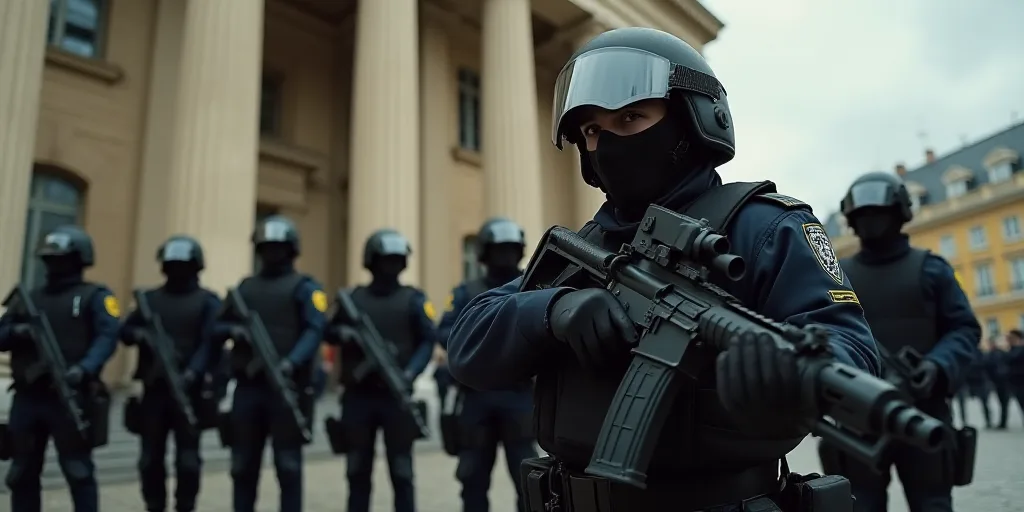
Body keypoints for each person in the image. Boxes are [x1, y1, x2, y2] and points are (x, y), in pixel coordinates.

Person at [446, 27, 879, 511]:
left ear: (693, 120)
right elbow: (468, 346)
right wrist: (553, 310)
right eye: (592, 131)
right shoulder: (586, 247)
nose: (609, 143)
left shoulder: (765, 227)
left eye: (630, 118)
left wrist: (783, 379)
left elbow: (851, 348)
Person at [820, 171, 981, 512]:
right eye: (862, 215)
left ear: (900, 214)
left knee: (932, 504)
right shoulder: (836, 277)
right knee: (860, 505)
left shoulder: (931, 269)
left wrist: (938, 365)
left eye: (879, 213)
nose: (870, 221)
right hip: (856, 417)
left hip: (922, 414)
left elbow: (964, 329)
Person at [0, 226, 120, 512]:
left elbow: (108, 336)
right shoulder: (28, 298)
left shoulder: (95, 296)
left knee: (78, 471)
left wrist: (85, 368)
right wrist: (18, 331)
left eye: (61, 258)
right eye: (50, 258)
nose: (54, 264)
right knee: (21, 472)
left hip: (70, 396)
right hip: (28, 398)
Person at [220, 215, 327, 512]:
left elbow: (314, 329)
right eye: (267, 247)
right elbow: (218, 325)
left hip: (287, 389)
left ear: (291, 250)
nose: (273, 253)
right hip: (248, 388)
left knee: (288, 466)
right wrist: (235, 331)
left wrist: (292, 362)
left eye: (279, 247)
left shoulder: (305, 287)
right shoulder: (245, 288)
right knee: (242, 466)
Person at [327, 229, 437, 512]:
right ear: (372, 261)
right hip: (358, 397)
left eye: (397, 260)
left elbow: (428, 340)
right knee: (357, 471)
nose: (391, 265)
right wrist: (345, 334)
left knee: (402, 472)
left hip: (395, 397)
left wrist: (410, 373)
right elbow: (328, 331)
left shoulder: (413, 299)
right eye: (386, 260)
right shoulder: (353, 299)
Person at [438, 218, 537, 512]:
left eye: (510, 249)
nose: (505, 256)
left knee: (528, 481)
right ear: (484, 253)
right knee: (472, 478)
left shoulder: (534, 286)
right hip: (476, 397)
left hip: (519, 394)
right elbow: (445, 331)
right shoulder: (466, 292)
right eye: (498, 250)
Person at [119, 236, 221, 512]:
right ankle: (154, 505)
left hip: (190, 392)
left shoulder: (208, 301)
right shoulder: (149, 300)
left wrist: (193, 372)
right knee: (149, 459)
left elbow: (210, 342)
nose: (177, 270)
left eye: (182, 266)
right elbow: (125, 332)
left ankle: (185, 506)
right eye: (172, 265)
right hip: (154, 391)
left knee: (188, 461)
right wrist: (141, 334)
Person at [983, 335, 1011, 429]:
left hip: (1002, 381)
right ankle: (1003, 422)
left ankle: (1003, 422)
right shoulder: (999, 354)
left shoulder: (995, 354)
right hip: (1000, 381)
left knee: (1003, 402)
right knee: (1003, 402)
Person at [1005, 329, 1024, 423]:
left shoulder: (1020, 349)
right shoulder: (1011, 350)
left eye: (1010, 338)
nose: (1008, 340)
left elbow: (1013, 358)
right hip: (1016, 383)